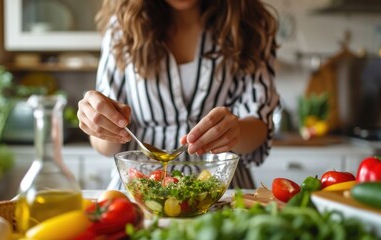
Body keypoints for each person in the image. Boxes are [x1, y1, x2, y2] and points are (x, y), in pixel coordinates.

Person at [77, 0, 280, 190]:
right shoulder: (122, 29)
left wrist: (235, 132)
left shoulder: (249, 26)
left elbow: (259, 124)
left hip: (223, 193)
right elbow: (105, 145)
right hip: (138, 193)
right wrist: (101, 123)